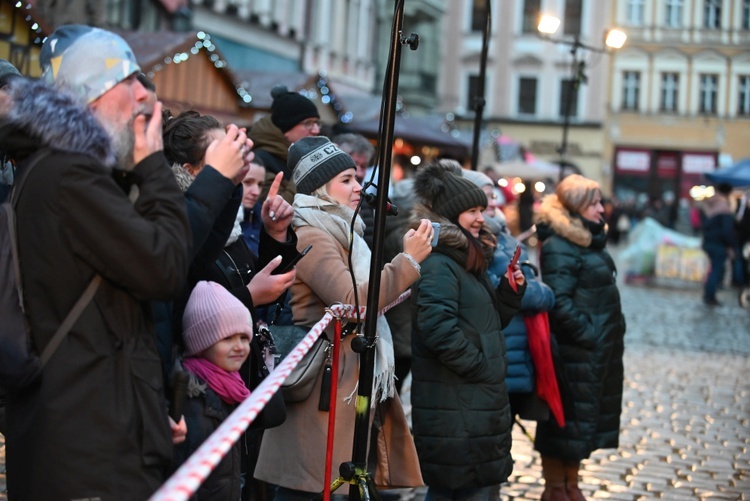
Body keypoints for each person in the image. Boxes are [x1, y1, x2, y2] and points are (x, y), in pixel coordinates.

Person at [1, 25, 191, 499]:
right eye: (132, 84)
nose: (146, 98)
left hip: (84, 435)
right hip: (88, 454)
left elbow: (112, 313)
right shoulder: (70, 175)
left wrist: (150, 412)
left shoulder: (51, 169)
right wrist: (152, 167)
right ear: (93, 98)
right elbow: (162, 267)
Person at [254, 136, 434, 499]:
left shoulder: (342, 231)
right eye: (347, 180)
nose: (357, 187)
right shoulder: (312, 233)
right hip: (322, 385)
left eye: (356, 178)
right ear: (320, 186)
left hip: (341, 378)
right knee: (309, 489)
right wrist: (408, 261)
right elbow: (352, 299)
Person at [409, 163, 526, 501]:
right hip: (456, 398)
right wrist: (479, 367)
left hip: (471, 399)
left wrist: (508, 292)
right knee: (456, 488)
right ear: (451, 214)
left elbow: (487, 322)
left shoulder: (466, 257)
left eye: (482, 210)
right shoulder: (440, 262)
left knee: (471, 485)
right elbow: (436, 327)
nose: (481, 218)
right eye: (472, 211)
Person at [534, 174, 626, 501]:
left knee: (580, 422)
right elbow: (559, 300)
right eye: (595, 203)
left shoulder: (586, 238)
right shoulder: (561, 243)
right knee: (563, 422)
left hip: (594, 350)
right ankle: (556, 487)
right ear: (576, 208)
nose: (603, 209)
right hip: (575, 349)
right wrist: (590, 334)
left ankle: (571, 484)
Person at [173, 281, 254, 500]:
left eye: (244, 337)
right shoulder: (191, 397)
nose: (239, 346)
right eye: (227, 338)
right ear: (201, 343)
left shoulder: (231, 387)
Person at [249, 85, 320, 204]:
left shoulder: (290, 155)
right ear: (285, 128)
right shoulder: (260, 160)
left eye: (317, 123)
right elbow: (276, 211)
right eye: (308, 123)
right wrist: (304, 166)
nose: (316, 130)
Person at [700, 182, 737, 306]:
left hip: (708, 241)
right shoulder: (724, 207)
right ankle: (710, 296)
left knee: (712, 269)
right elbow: (727, 230)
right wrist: (731, 245)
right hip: (719, 244)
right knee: (716, 270)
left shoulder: (710, 204)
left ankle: (708, 294)